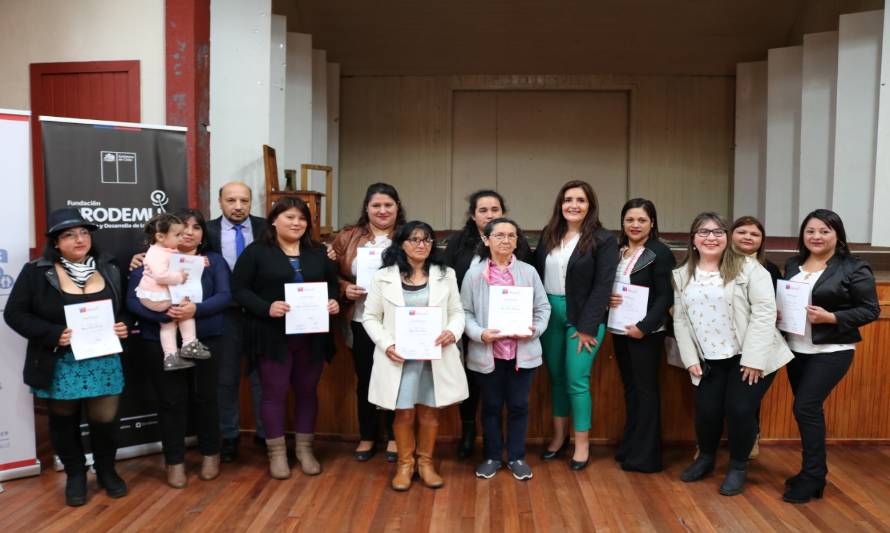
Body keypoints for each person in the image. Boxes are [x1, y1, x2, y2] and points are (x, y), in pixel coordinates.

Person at [4, 208, 129, 506]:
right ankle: (75, 474)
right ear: (56, 242)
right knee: (63, 420)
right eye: (69, 234)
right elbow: (14, 313)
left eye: (84, 232)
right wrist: (51, 333)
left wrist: (125, 325)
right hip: (60, 360)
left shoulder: (109, 266)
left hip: (103, 358)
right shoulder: (36, 271)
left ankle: (106, 470)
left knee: (105, 420)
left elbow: (125, 308)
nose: (79, 239)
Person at [672, 212, 792, 496]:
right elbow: (680, 319)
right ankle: (706, 458)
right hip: (709, 358)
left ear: (726, 238)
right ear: (693, 239)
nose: (710, 238)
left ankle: (738, 466)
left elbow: (765, 315)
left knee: (739, 409)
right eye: (703, 232)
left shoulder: (749, 268)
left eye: (717, 232)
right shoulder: (681, 274)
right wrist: (689, 359)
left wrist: (753, 359)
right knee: (707, 411)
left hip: (751, 356)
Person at [231, 197, 340, 479]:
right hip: (272, 336)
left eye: (302, 219)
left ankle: (305, 449)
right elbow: (239, 290)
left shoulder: (318, 252)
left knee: (307, 392)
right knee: (273, 394)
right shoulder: (256, 252)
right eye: (289, 217)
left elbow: (332, 287)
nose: (296, 223)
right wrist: (266, 307)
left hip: (311, 337)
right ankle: (277, 453)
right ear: (274, 221)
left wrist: (333, 302)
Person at [781, 209, 879, 504]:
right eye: (810, 231)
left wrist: (832, 317)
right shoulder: (793, 264)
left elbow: (871, 310)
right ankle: (814, 472)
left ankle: (812, 478)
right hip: (797, 349)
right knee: (808, 411)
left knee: (805, 407)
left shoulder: (853, 267)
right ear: (803, 235)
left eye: (824, 231)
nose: (816, 237)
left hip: (832, 350)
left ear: (837, 235)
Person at [127, 209, 229, 488]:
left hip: (207, 337)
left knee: (207, 398)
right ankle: (175, 462)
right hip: (159, 339)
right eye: (183, 227)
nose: (189, 232)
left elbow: (224, 296)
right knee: (171, 402)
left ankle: (211, 454)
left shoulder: (214, 262)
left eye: (196, 227)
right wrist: (164, 316)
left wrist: (196, 309)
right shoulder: (149, 259)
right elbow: (133, 300)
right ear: (168, 232)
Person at [363, 221, 468, 491]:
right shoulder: (383, 276)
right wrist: (386, 344)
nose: (421, 245)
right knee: (404, 414)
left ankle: (426, 463)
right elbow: (371, 317)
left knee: (430, 413)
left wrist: (451, 332)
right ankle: (405, 464)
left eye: (427, 240)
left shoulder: (446, 274)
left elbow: (458, 312)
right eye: (414, 239)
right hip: (399, 358)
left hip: (434, 357)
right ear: (401, 243)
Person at [532, 180, 618, 470]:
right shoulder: (549, 235)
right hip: (549, 313)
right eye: (568, 199)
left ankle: (582, 444)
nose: (574, 205)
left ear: (590, 205)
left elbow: (603, 285)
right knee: (555, 378)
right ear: (560, 204)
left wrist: (587, 327)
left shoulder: (603, 240)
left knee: (576, 380)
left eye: (580, 200)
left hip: (583, 318)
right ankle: (559, 437)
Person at [442, 190, 533, 459]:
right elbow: (444, 278)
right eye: (483, 210)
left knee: (506, 395)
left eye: (495, 209)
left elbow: (530, 282)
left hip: (509, 333)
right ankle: (469, 432)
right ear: (473, 215)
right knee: (468, 381)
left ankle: (509, 449)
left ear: (503, 213)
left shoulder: (518, 243)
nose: (489, 214)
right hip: (466, 323)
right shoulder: (457, 243)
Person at [460, 217, 550, 480]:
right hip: (488, 353)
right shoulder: (474, 274)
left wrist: (535, 328)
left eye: (512, 235)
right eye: (499, 235)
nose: (506, 240)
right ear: (486, 240)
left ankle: (517, 456)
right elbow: (464, 311)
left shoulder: (528, 272)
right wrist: (479, 333)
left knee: (519, 406)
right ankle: (491, 456)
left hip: (522, 353)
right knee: (490, 406)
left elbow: (543, 308)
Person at [330, 182, 405, 462]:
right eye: (376, 205)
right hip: (361, 318)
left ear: (398, 207)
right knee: (366, 378)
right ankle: (367, 436)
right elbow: (330, 271)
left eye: (388, 205)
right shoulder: (349, 237)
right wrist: (343, 288)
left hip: (399, 322)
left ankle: (396, 437)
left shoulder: (408, 235)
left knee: (397, 378)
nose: (382, 210)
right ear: (367, 208)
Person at [607, 198, 675, 473]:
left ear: (652, 223)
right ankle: (631, 447)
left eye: (641, 220)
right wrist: (608, 299)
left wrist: (644, 327)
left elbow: (665, 296)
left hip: (645, 332)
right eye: (630, 220)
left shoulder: (660, 252)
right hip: (620, 328)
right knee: (631, 390)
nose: (635, 225)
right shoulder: (618, 250)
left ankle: (647, 456)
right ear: (622, 222)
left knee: (646, 392)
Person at [207, 182, 268, 462]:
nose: (238, 206)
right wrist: (142, 257)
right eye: (231, 200)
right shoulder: (205, 231)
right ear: (220, 202)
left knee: (263, 378)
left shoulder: (267, 228)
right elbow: (175, 251)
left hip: (260, 313)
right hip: (225, 314)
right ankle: (228, 436)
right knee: (225, 378)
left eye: (244, 200)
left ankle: (267, 435)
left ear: (251, 202)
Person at [730, 215, 781, 459]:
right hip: (726, 342)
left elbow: (773, 306)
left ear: (762, 241)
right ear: (731, 235)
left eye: (754, 234)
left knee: (748, 399)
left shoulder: (769, 268)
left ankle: (751, 440)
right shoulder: (718, 262)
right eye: (742, 232)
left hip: (757, 343)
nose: (748, 237)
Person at [135, 213, 210, 370]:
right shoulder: (156, 253)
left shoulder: (166, 249)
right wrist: (179, 277)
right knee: (185, 306)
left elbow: (182, 261)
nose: (182, 238)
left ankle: (170, 356)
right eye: (177, 235)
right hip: (155, 297)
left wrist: (199, 262)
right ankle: (189, 343)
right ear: (160, 236)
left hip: (156, 296)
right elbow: (161, 276)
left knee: (168, 324)